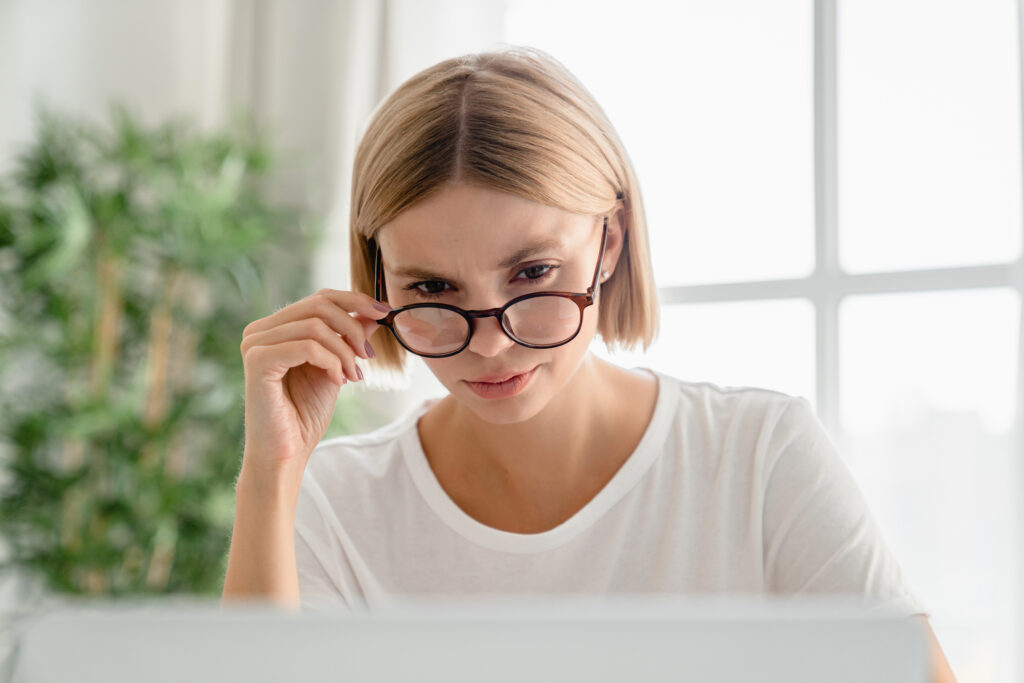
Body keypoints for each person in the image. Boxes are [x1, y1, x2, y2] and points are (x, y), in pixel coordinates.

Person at [222, 46, 956, 682]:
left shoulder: (758, 455)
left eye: (533, 273)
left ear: (609, 242)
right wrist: (270, 472)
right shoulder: (336, 503)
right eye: (433, 288)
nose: (489, 344)